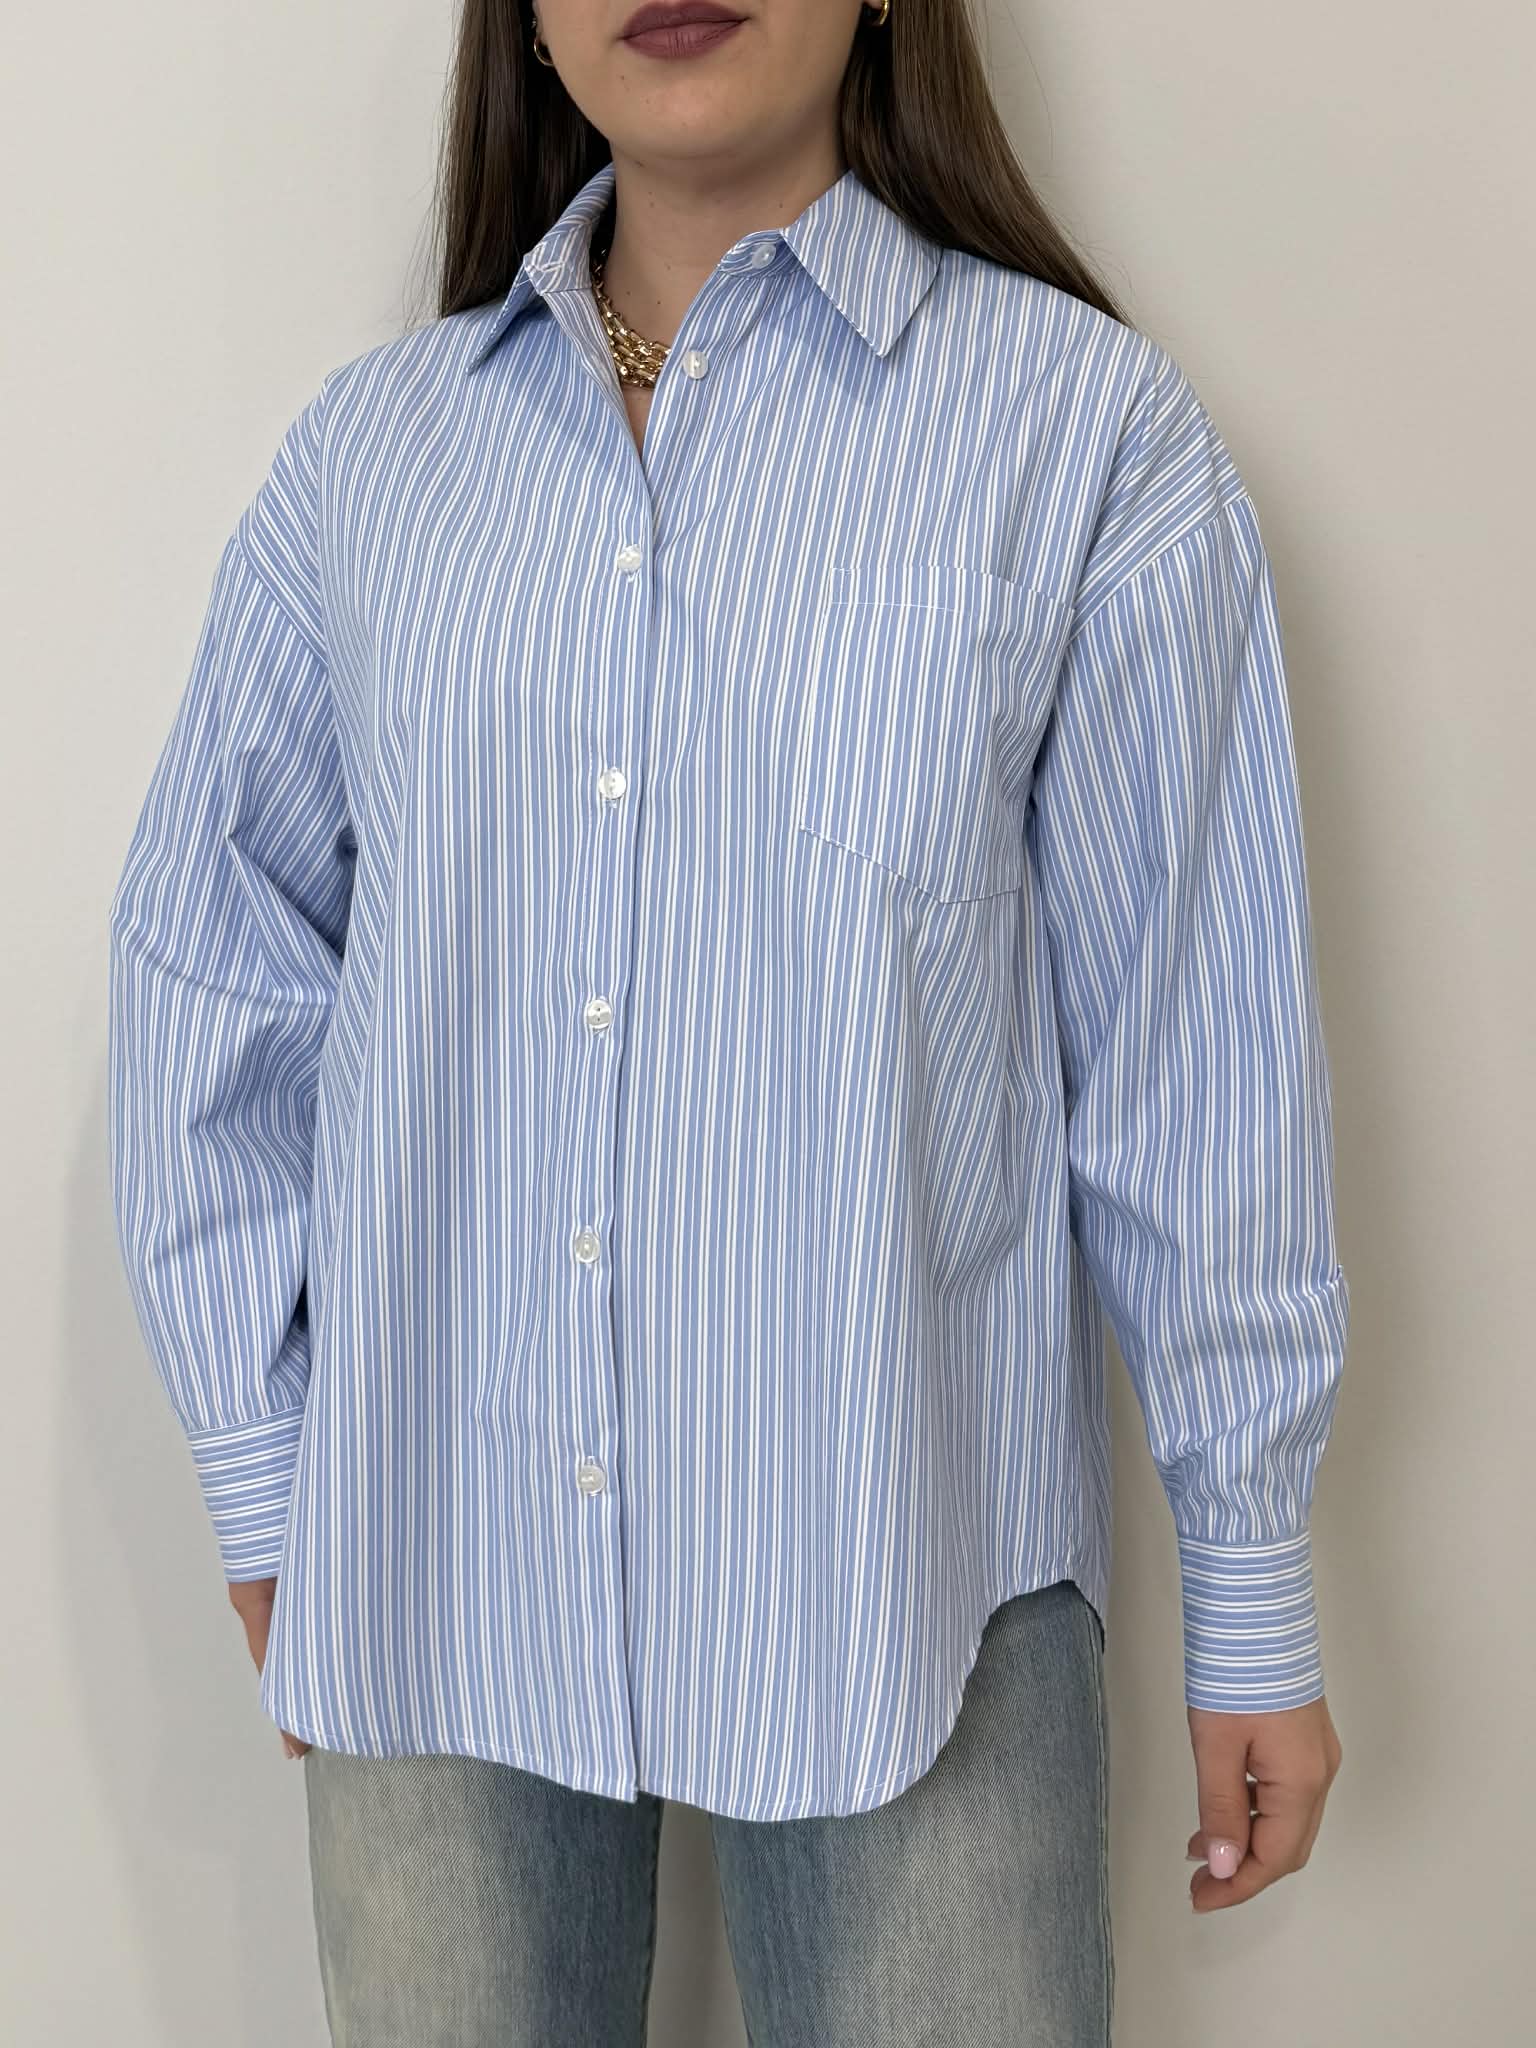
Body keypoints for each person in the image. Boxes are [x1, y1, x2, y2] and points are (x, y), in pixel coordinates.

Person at [105, 2, 1351, 2041]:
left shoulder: (1084, 435)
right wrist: (264, 1467)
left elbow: (1192, 1045)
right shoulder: (373, 462)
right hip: (433, 1553)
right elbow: (211, 959)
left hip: (912, 1567)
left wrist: (1252, 1582)